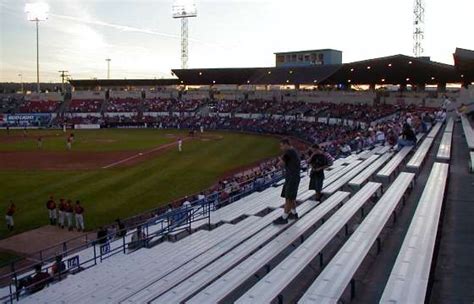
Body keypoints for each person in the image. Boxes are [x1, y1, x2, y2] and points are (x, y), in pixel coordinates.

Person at [274, 139, 301, 225]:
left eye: (282, 145)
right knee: (290, 197)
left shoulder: (289, 152)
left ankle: (284, 218)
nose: (281, 148)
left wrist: (280, 159)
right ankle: (294, 214)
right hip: (292, 177)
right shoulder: (292, 151)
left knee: (288, 198)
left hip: (292, 177)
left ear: (286, 144)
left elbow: (280, 164)